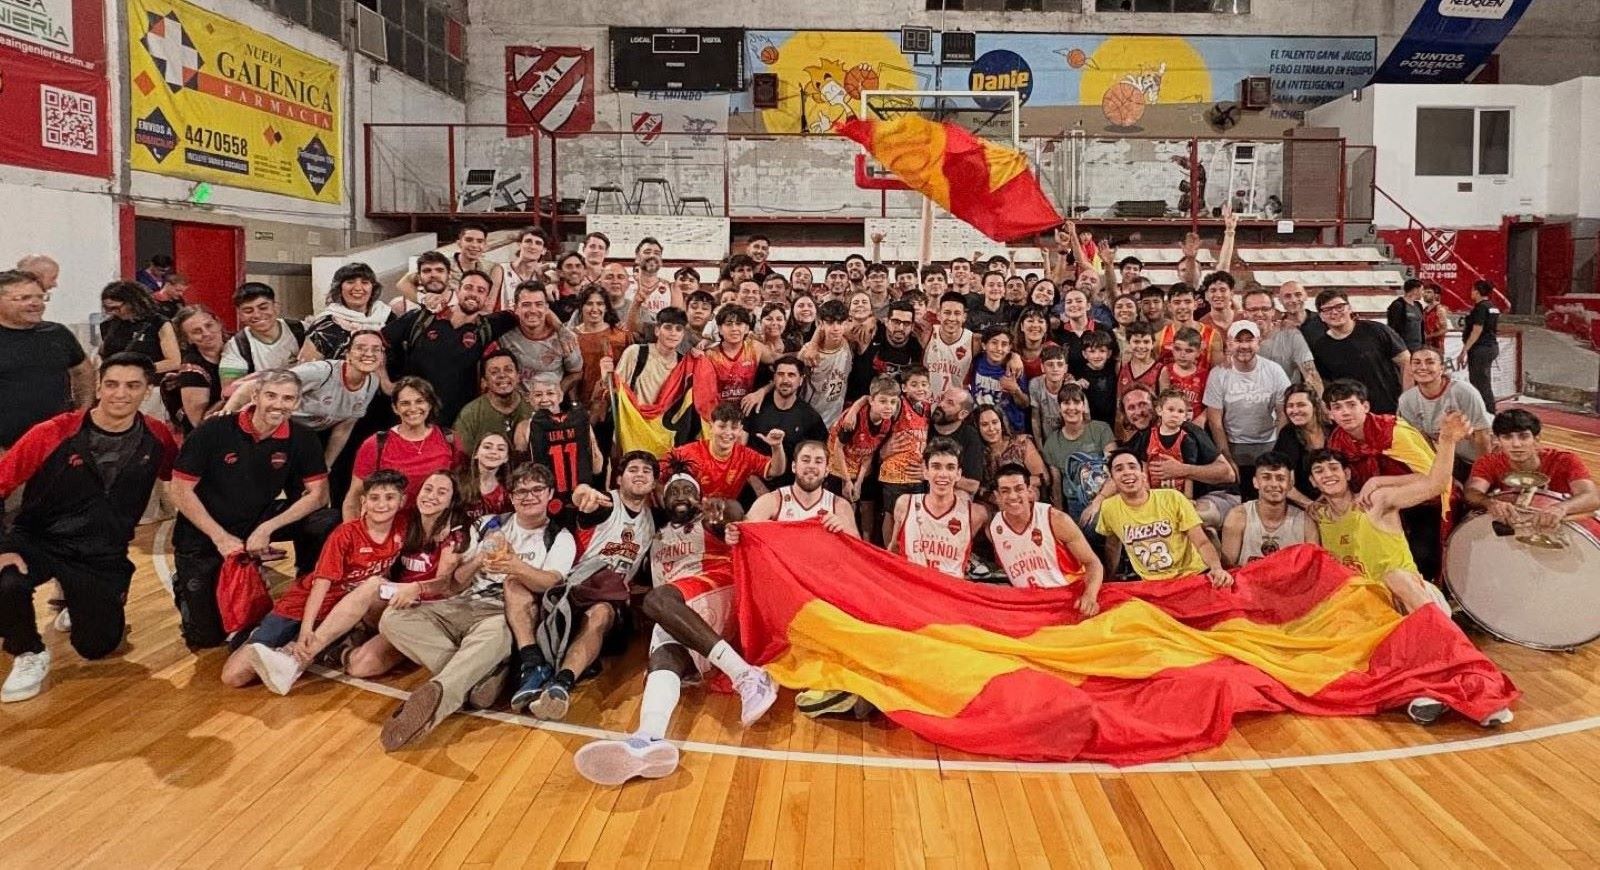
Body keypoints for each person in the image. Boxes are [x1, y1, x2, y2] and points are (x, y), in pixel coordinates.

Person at [572, 467, 777, 786]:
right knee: (663, 658)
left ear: (700, 497)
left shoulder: (709, 517)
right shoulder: (654, 533)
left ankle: (746, 675)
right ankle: (648, 740)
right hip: (684, 611)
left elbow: (733, 517)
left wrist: (725, 513)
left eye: (687, 490)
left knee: (657, 601)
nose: (681, 496)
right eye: (674, 491)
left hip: (717, 588)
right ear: (662, 499)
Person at [1307, 416, 1514, 728]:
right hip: (1370, 609)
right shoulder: (1316, 517)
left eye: (1333, 468)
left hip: (1411, 596)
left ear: (1348, 473)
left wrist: (1446, 442)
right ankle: (1428, 693)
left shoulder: (1376, 500)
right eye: (1319, 471)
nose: (1328, 475)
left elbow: (1435, 484)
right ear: (1312, 482)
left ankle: (1472, 684)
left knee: (1398, 582)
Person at [0, 354, 178, 702]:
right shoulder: (51, 433)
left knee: (98, 646)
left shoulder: (157, 437)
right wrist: (2, 546)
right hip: (39, 539)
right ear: (98, 386)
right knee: (5, 582)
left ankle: (78, 599)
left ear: (147, 391)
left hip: (101, 553)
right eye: (111, 384)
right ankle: (29, 651)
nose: (120, 394)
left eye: (133, 386)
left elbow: (185, 479)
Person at [379, 463, 572, 750]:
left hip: (505, 613)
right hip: (464, 602)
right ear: (511, 495)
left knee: (492, 636)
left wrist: (517, 566)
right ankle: (479, 678)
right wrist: (479, 559)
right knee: (393, 619)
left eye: (536, 490)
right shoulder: (488, 523)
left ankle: (439, 701)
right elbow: (454, 583)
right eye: (521, 491)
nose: (528, 496)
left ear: (550, 494)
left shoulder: (559, 536)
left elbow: (550, 583)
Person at [170, 369, 339, 650]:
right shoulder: (213, 430)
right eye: (271, 395)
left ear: (297, 403)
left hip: (257, 518)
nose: (279, 404)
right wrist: (221, 538)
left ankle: (307, 589)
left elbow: (318, 495)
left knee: (328, 520)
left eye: (288, 398)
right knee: (207, 638)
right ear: (255, 395)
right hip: (204, 530)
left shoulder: (302, 437)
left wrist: (266, 529)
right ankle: (186, 587)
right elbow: (179, 489)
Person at [220, 469, 409, 689]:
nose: (382, 505)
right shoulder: (345, 535)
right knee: (233, 677)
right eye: (375, 498)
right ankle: (262, 638)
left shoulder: (402, 527)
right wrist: (305, 632)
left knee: (375, 585)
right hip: (302, 606)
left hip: (339, 614)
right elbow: (319, 587)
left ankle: (298, 656)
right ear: (363, 501)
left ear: (402, 501)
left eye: (390, 498)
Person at [519, 453, 661, 721]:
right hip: (574, 590)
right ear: (619, 479)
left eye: (647, 471)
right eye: (633, 470)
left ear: (654, 484)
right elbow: (584, 502)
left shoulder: (651, 521)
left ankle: (561, 685)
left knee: (602, 614)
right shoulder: (606, 504)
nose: (640, 474)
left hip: (608, 600)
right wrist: (581, 494)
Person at [1323, 378, 1444, 580]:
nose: (1345, 412)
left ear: (1366, 406)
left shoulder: (1393, 431)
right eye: (1337, 407)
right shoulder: (1336, 441)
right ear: (1330, 414)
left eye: (1351, 405)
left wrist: (1378, 481)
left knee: (1422, 558)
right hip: (1374, 504)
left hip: (1422, 502)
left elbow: (1431, 477)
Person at [226, 330, 386, 465]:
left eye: (376, 349)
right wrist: (225, 415)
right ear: (348, 354)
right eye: (361, 348)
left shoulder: (372, 382)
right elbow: (255, 385)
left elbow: (344, 427)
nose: (369, 354)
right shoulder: (320, 372)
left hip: (310, 436)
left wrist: (327, 465)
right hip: (275, 427)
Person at [384, 268, 510, 426]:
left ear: (486, 298)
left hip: (456, 423)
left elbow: (527, 312)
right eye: (468, 287)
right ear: (457, 290)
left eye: (481, 290)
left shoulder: (488, 327)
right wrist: (385, 382)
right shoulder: (423, 318)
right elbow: (376, 340)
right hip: (410, 416)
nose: (473, 294)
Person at [1096, 450, 1234, 586]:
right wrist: (1109, 580)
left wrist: (1216, 568)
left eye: (1132, 467)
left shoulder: (1172, 498)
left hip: (1191, 576)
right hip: (1152, 586)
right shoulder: (1109, 508)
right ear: (1112, 479)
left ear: (1143, 474)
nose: (1127, 472)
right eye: (1119, 469)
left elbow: (1201, 542)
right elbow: (1112, 546)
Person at [988, 464, 1103, 614]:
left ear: (1029, 491)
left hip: (1068, 600)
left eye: (1019, 489)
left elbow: (1093, 563)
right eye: (1005, 491)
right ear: (996, 496)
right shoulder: (995, 527)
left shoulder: (1056, 519)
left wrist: (1090, 596)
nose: (1013, 496)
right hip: (1030, 607)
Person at [0, 270, 93, 453]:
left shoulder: (58, 333)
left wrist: (82, 412)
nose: (36, 304)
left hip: (58, 446)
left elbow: (83, 371)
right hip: (7, 450)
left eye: (41, 297)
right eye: (24, 297)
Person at [1120, 387, 1238, 529]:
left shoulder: (1188, 431)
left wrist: (1183, 470)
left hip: (1215, 496)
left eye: (1143, 404)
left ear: (1155, 405)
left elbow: (1228, 474)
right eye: (1131, 407)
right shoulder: (1138, 442)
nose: (1139, 411)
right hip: (1166, 501)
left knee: (1183, 517)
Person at [346, 377, 462, 518]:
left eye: (420, 401)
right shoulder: (375, 444)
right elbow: (353, 499)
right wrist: (352, 536)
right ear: (395, 408)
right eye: (405, 403)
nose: (413, 408)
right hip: (388, 527)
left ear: (430, 404)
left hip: (434, 526)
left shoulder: (450, 439)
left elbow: (459, 488)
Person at [1464, 408, 1600, 529]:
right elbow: (1472, 492)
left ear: (1537, 438)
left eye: (1523, 436)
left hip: (1559, 528)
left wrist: (1561, 508)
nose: (1516, 444)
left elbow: (1592, 497)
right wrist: (1490, 503)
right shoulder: (1489, 462)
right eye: (1507, 437)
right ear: (1498, 441)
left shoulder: (1565, 460)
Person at [1203, 320, 1290, 496]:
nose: (1244, 346)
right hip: (1234, 446)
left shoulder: (1274, 371)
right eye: (1238, 340)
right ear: (1229, 344)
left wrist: (1279, 452)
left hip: (1269, 444)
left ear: (1259, 342)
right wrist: (1226, 458)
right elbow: (1215, 421)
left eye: (1249, 340)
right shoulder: (1218, 374)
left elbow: (1283, 414)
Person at [887, 438, 988, 577]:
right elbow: (894, 549)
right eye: (936, 466)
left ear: (958, 474)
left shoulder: (976, 513)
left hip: (950, 593)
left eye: (950, 467)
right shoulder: (905, 504)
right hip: (913, 591)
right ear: (925, 471)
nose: (943, 474)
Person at [514, 373, 601, 521]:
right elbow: (519, 472)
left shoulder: (580, 422)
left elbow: (597, 467)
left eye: (550, 393)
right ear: (530, 399)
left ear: (560, 396)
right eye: (538, 394)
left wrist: (589, 440)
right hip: (543, 503)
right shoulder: (524, 428)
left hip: (580, 497)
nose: (544, 399)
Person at [1397, 347, 1494, 480]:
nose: (1423, 367)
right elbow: (1423, 440)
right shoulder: (1406, 400)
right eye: (1417, 362)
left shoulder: (1463, 391)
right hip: (1456, 459)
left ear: (1442, 368)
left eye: (1430, 362)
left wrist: (1485, 474)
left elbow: (1483, 435)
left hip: (1486, 456)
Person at [1309, 289, 1410, 415]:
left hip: (1390, 410)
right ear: (1321, 316)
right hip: (1352, 417)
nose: (1334, 312)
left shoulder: (1376, 330)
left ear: (1350, 308)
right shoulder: (1321, 347)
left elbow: (1406, 362)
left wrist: (1406, 401)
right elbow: (1327, 383)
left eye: (1339, 307)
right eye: (1327, 310)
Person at [665, 401, 785, 502]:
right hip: (692, 518)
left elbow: (775, 471)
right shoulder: (689, 452)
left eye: (733, 428)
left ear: (740, 430)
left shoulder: (745, 456)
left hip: (724, 517)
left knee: (735, 510)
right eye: (722, 427)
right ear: (711, 427)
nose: (728, 433)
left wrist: (777, 447)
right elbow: (658, 473)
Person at [1220, 452, 1318, 567]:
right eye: (1266, 478)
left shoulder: (1306, 522)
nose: (1274, 484)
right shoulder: (1238, 516)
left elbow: (1312, 568)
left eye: (1280, 478)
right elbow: (1228, 568)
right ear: (1255, 482)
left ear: (1290, 484)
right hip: (1248, 583)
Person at [744, 355, 828, 486]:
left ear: (801, 380)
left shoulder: (810, 417)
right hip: (752, 485)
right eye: (781, 374)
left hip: (790, 488)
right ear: (774, 378)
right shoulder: (754, 407)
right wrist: (757, 486)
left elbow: (818, 455)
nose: (785, 380)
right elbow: (739, 453)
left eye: (791, 375)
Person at [495, 281, 583, 397]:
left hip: (550, 405)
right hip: (515, 404)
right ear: (515, 308)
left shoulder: (565, 338)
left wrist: (558, 392)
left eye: (539, 304)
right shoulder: (504, 334)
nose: (533, 310)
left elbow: (576, 372)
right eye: (526, 304)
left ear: (547, 308)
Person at [1041, 383, 1116, 520]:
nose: (1071, 408)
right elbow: (1056, 487)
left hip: (1106, 498)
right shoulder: (1051, 443)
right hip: (1074, 503)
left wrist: (1097, 503)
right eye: (1066, 403)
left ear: (1083, 405)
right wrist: (1060, 517)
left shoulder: (1101, 429)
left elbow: (1114, 471)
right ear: (1059, 408)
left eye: (1076, 402)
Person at [219, 283, 305, 390]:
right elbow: (228, 391)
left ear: (276, 307)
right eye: (248, 311)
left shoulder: (303, 329)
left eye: (263, 307)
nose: (257, 315)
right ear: (240, 315)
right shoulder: (236, 346)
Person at [302, 263, 393, 361]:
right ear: (339, 288)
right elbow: (306, 367)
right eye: (350, 282)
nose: (358, 288)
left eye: (365, 282)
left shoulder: (388, 317)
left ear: (373, 288)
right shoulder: (325, 325)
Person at [1244, 287, 1322, 396]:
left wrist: (1320, 407)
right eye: (1253, 310)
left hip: (1287, 404)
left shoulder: (1291, 334)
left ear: (1272, 311)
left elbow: (1310, 373)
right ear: (1245, 313)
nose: (1260, 314)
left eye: (1265, 309)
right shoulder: (1237, 338)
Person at [452, 350, 532, 456]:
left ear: (518, 377)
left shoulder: (533, 406)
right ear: (484, 382)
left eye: (508, 370)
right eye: (494, 372)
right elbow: (461, 457)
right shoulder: (469, 415)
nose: (502, 375)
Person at [165, 307, 226, 435]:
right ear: (188, 339)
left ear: (219, 323)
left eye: (209, 325)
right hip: (208, 439)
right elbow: (198, 423)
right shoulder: (191, 371)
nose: (206, 333)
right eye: (197, 331)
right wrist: (235, 395)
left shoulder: (240, 345)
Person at [98, 281, 181, 375]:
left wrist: (138, 370)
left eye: (116, 308)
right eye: (107, 309)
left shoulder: (158, 323)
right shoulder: (108, 325)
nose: (112, 312)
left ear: (131, 303)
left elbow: (174, 362)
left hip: (151, 381)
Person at [974, 405, 1048, 504]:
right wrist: (995, 497)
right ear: (977, 428)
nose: (991, 428)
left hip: (1023, 492)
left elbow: (1041, 477)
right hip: (994, 499)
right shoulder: (976, 451)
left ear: (1002, 423)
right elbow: (977, 487)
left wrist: (1014, 489)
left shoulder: (1021, 443)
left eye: (995, 422)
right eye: (984, 424)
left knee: (1029, 495)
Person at [1273, 384, 1330, 511]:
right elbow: (1282, 480)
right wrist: (1311, 505)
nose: (1295, 410)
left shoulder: (1334, 429)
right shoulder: (1288, 434)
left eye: (1301, 405)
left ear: (1315, 407)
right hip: (1302, 504)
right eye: (1290, 406)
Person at [1459, 279, 1501, 413]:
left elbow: (1477, 330)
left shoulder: (1481, 308)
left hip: (1481, 348)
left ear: (1477, 292)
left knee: (1479, 382)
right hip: (1490, 346)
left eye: (1472, 290)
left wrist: (1464, 350)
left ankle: (1487, 412)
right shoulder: (1492, 307)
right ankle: (1485, 409)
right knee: (1483, 380)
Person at [924, 291, 975, 398]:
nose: (951, 318)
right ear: (938, 315)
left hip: (956, 407)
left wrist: (1013, 357)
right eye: (947, 312)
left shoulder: (974, 340)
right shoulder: (926, 334)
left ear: (964, 316)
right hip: (928, 405)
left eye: (957, 313)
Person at [459, 432, 511, 521]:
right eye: (487, 447)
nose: (493, 452)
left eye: (501, 449)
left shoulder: (509, 489)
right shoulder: (458, 483)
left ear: (506, 458)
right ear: (476, 454)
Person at [1387, 278, 1426, 352]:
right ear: (1415, 290)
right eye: (1422, 290)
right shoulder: (1398, 305)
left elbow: (1421, 326)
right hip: (1403, 347)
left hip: (1418, 347)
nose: (1422, 293)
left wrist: (1423, 343)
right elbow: (1393, 327)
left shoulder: (1418, 305)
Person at [1421, 282, 1449, 354]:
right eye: (1424, 292)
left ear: (1436, 295)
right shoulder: (1425, 309)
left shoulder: (1439, 309)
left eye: (1429, 292)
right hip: (1425, 346)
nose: (1425, 294)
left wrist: (1428, 336)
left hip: (1436, 347)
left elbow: (1444, 329)